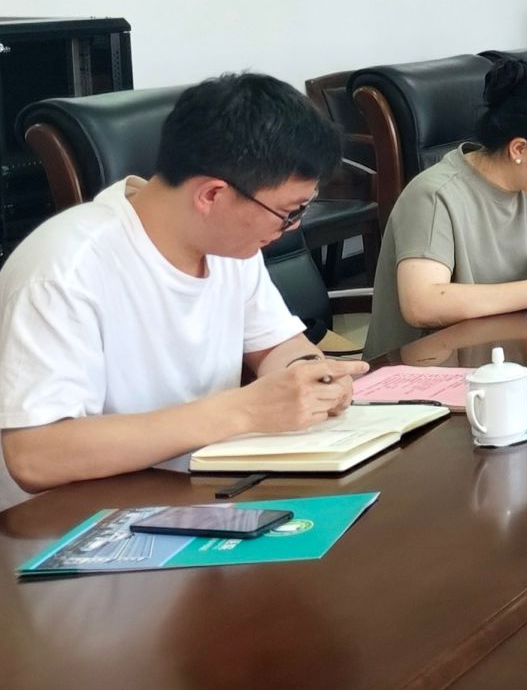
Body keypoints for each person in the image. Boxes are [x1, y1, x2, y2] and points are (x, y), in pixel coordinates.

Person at [0, 74, 369, 506]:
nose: (292, 227)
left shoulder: (230, 246)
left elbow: (276, 345)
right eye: (288, 213)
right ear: (212, 195)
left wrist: (311, 376)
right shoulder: (64, 269)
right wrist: (243, 410)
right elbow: (35, 456)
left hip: (195, 494)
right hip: (77, 521)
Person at [365, 60, 527, 358]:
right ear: (519, 149)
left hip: (503, 353)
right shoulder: (435, 195)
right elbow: (423, 303)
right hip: (428, 368)